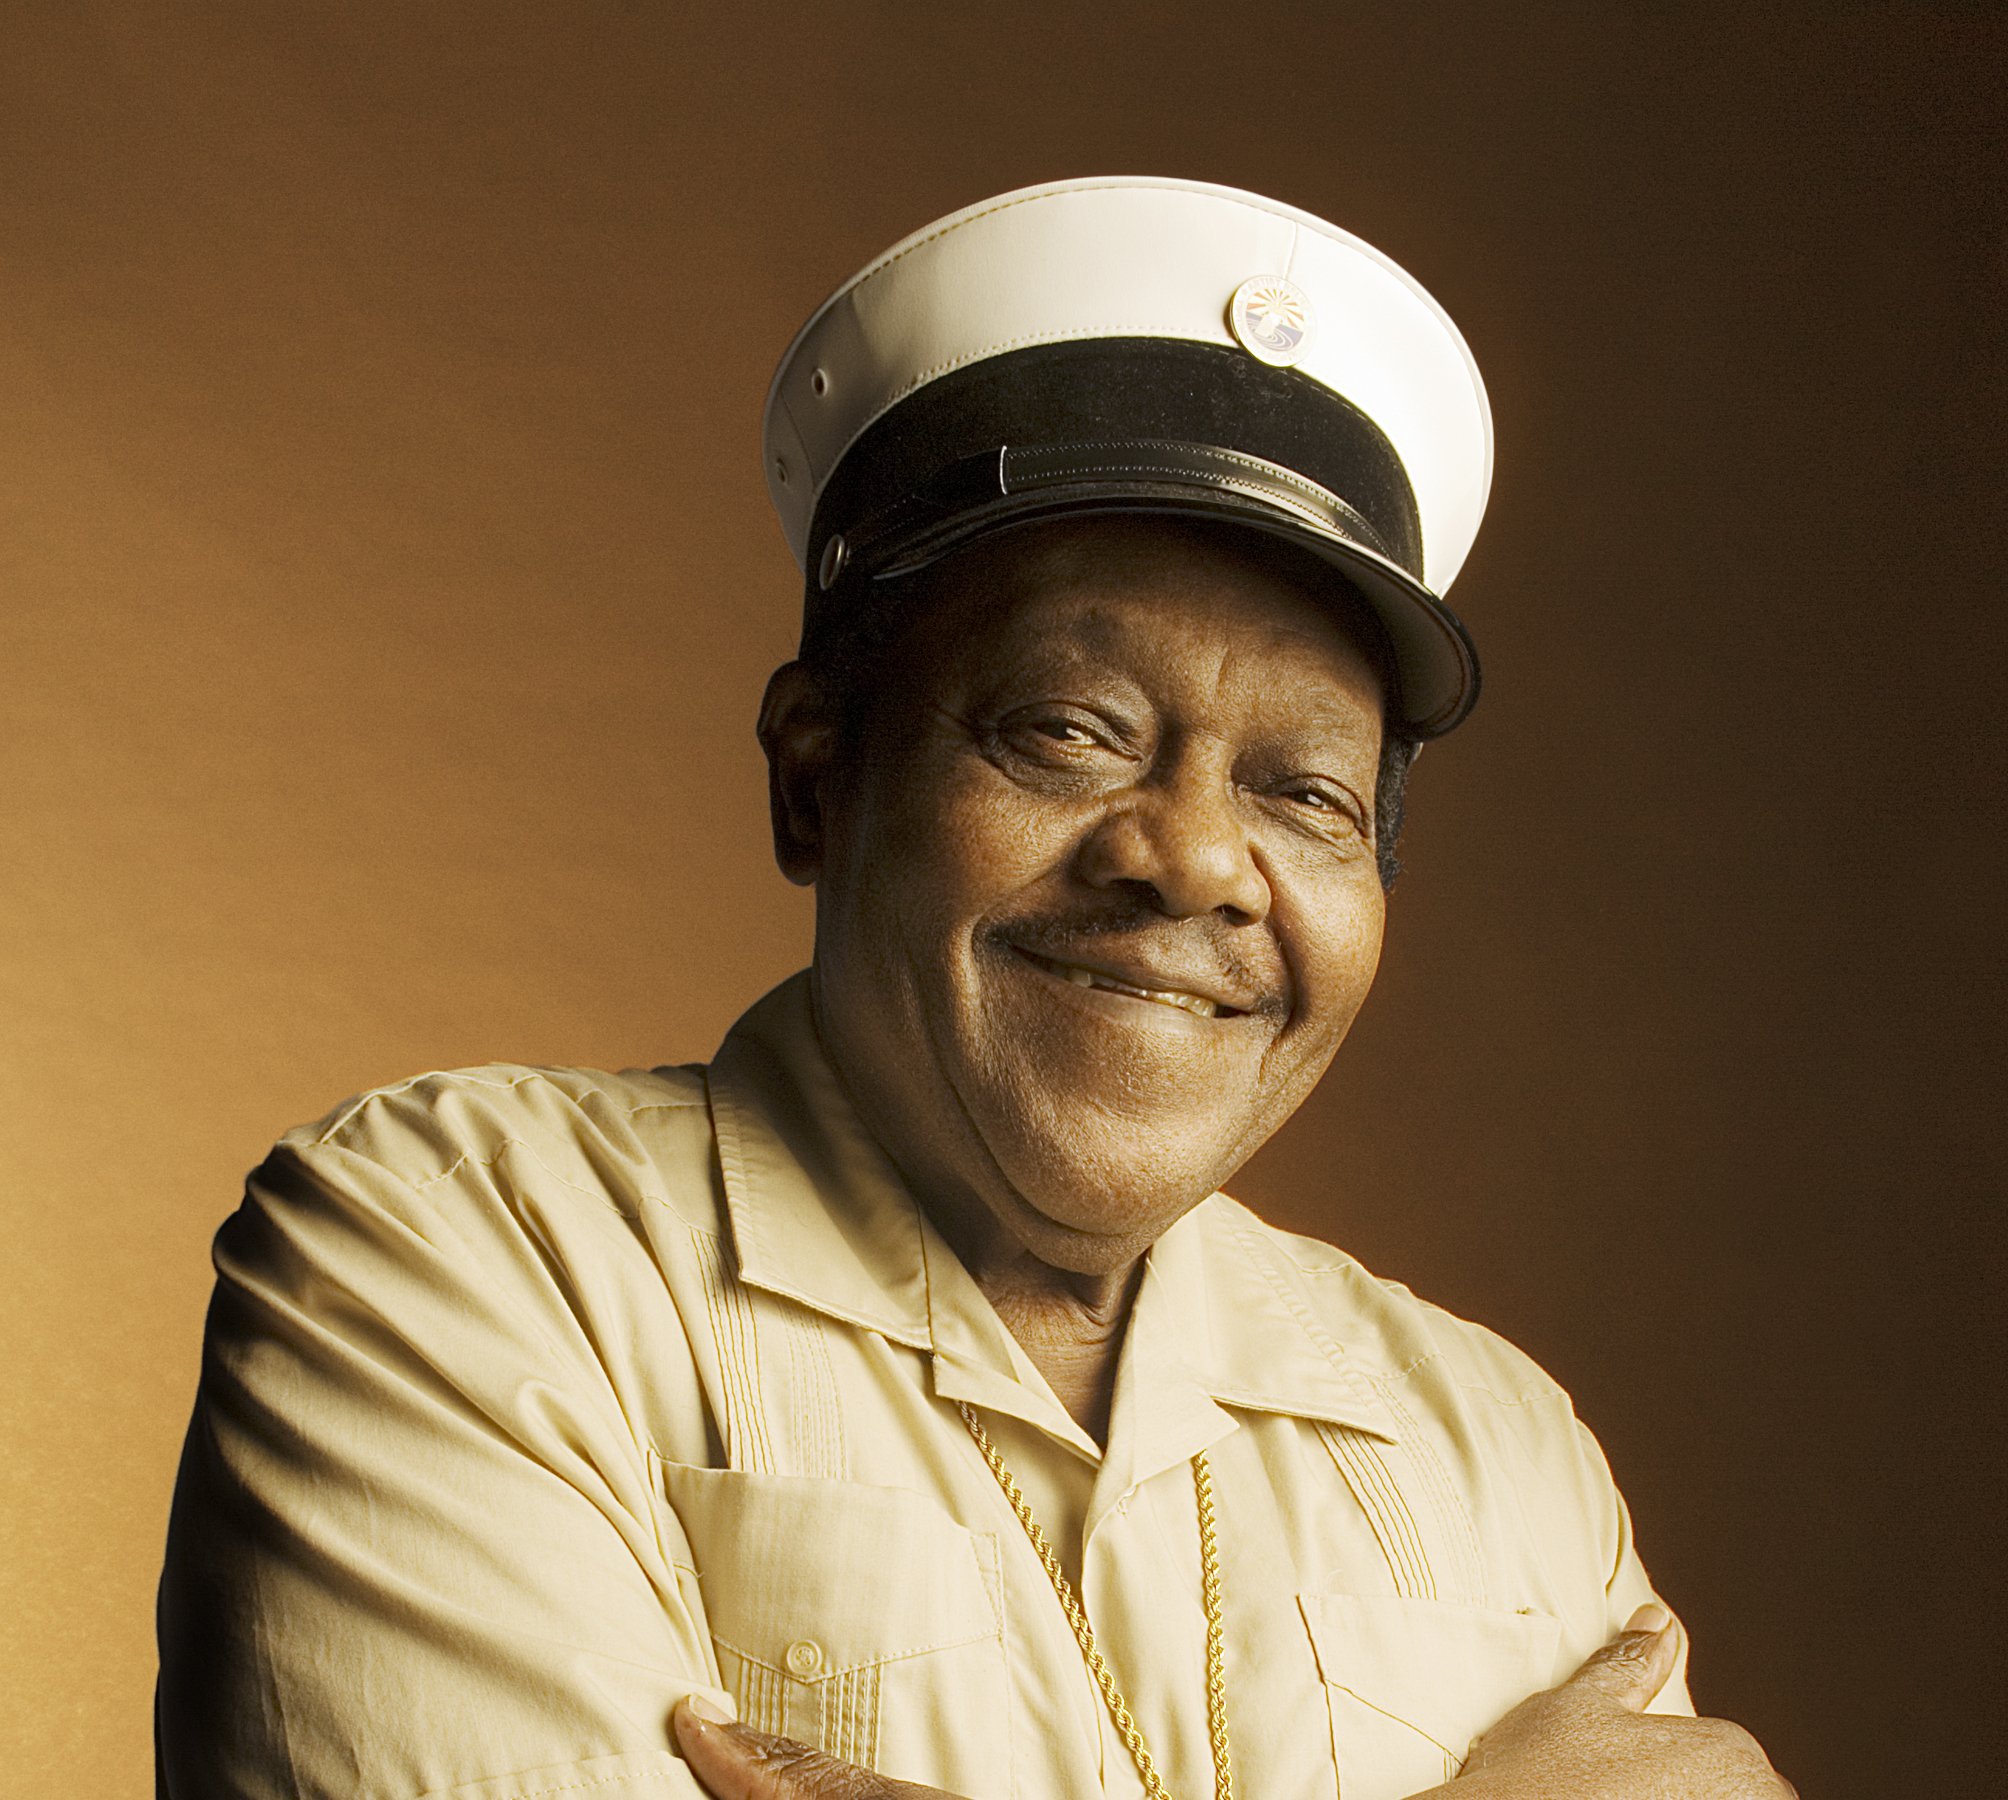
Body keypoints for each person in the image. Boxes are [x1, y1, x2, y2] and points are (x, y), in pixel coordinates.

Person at [155, 177, 1793, 1800]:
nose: (1196, 862)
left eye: (1308, 794)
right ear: (817, 777)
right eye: (1070, 729)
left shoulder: (1497, 1445)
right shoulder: (459, 1249)